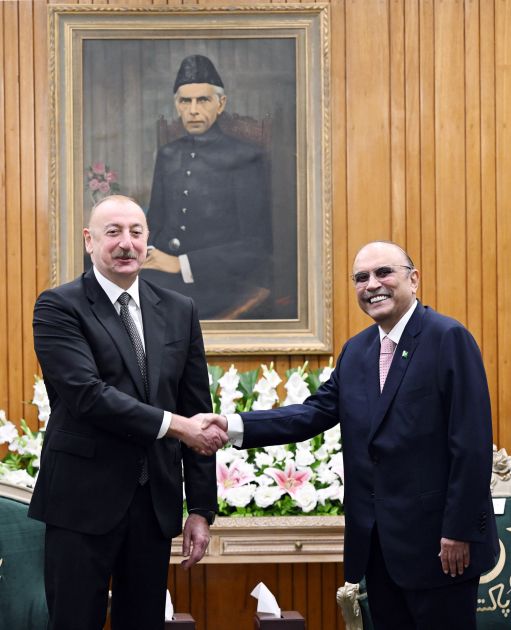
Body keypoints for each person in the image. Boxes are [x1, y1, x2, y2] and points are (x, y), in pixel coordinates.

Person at [199, 240, 498, 629]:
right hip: (378, 550)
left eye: (383, 272)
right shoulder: (357, 352)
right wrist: (231, 425)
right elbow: (311, 414)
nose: (372, 284)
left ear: (414, 279)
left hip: (440, 548)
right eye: (361, 277)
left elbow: (472, 446)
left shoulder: (448, 338)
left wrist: (458, 531)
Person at [29, 195, 228, 630]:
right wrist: (175, 426)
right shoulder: (58, 306)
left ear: (147, 240)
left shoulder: (179, 310)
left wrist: (200, 509)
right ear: (89, 240)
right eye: (113, 232)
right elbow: (88, 395)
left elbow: (197, 409)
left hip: (152, 506)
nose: (126, 243)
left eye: (136, 233)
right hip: (81, 505)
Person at [142, 54, 272, 319]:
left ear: (220, 104)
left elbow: (255, 246)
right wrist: (149, 253)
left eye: (202, 100)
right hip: (159, 276)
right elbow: (154, 223)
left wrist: (180, 264)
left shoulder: (246, 157)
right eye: (185, 101)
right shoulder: (167, 154)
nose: (193, 110)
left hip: (215, 282)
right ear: (176, 105)